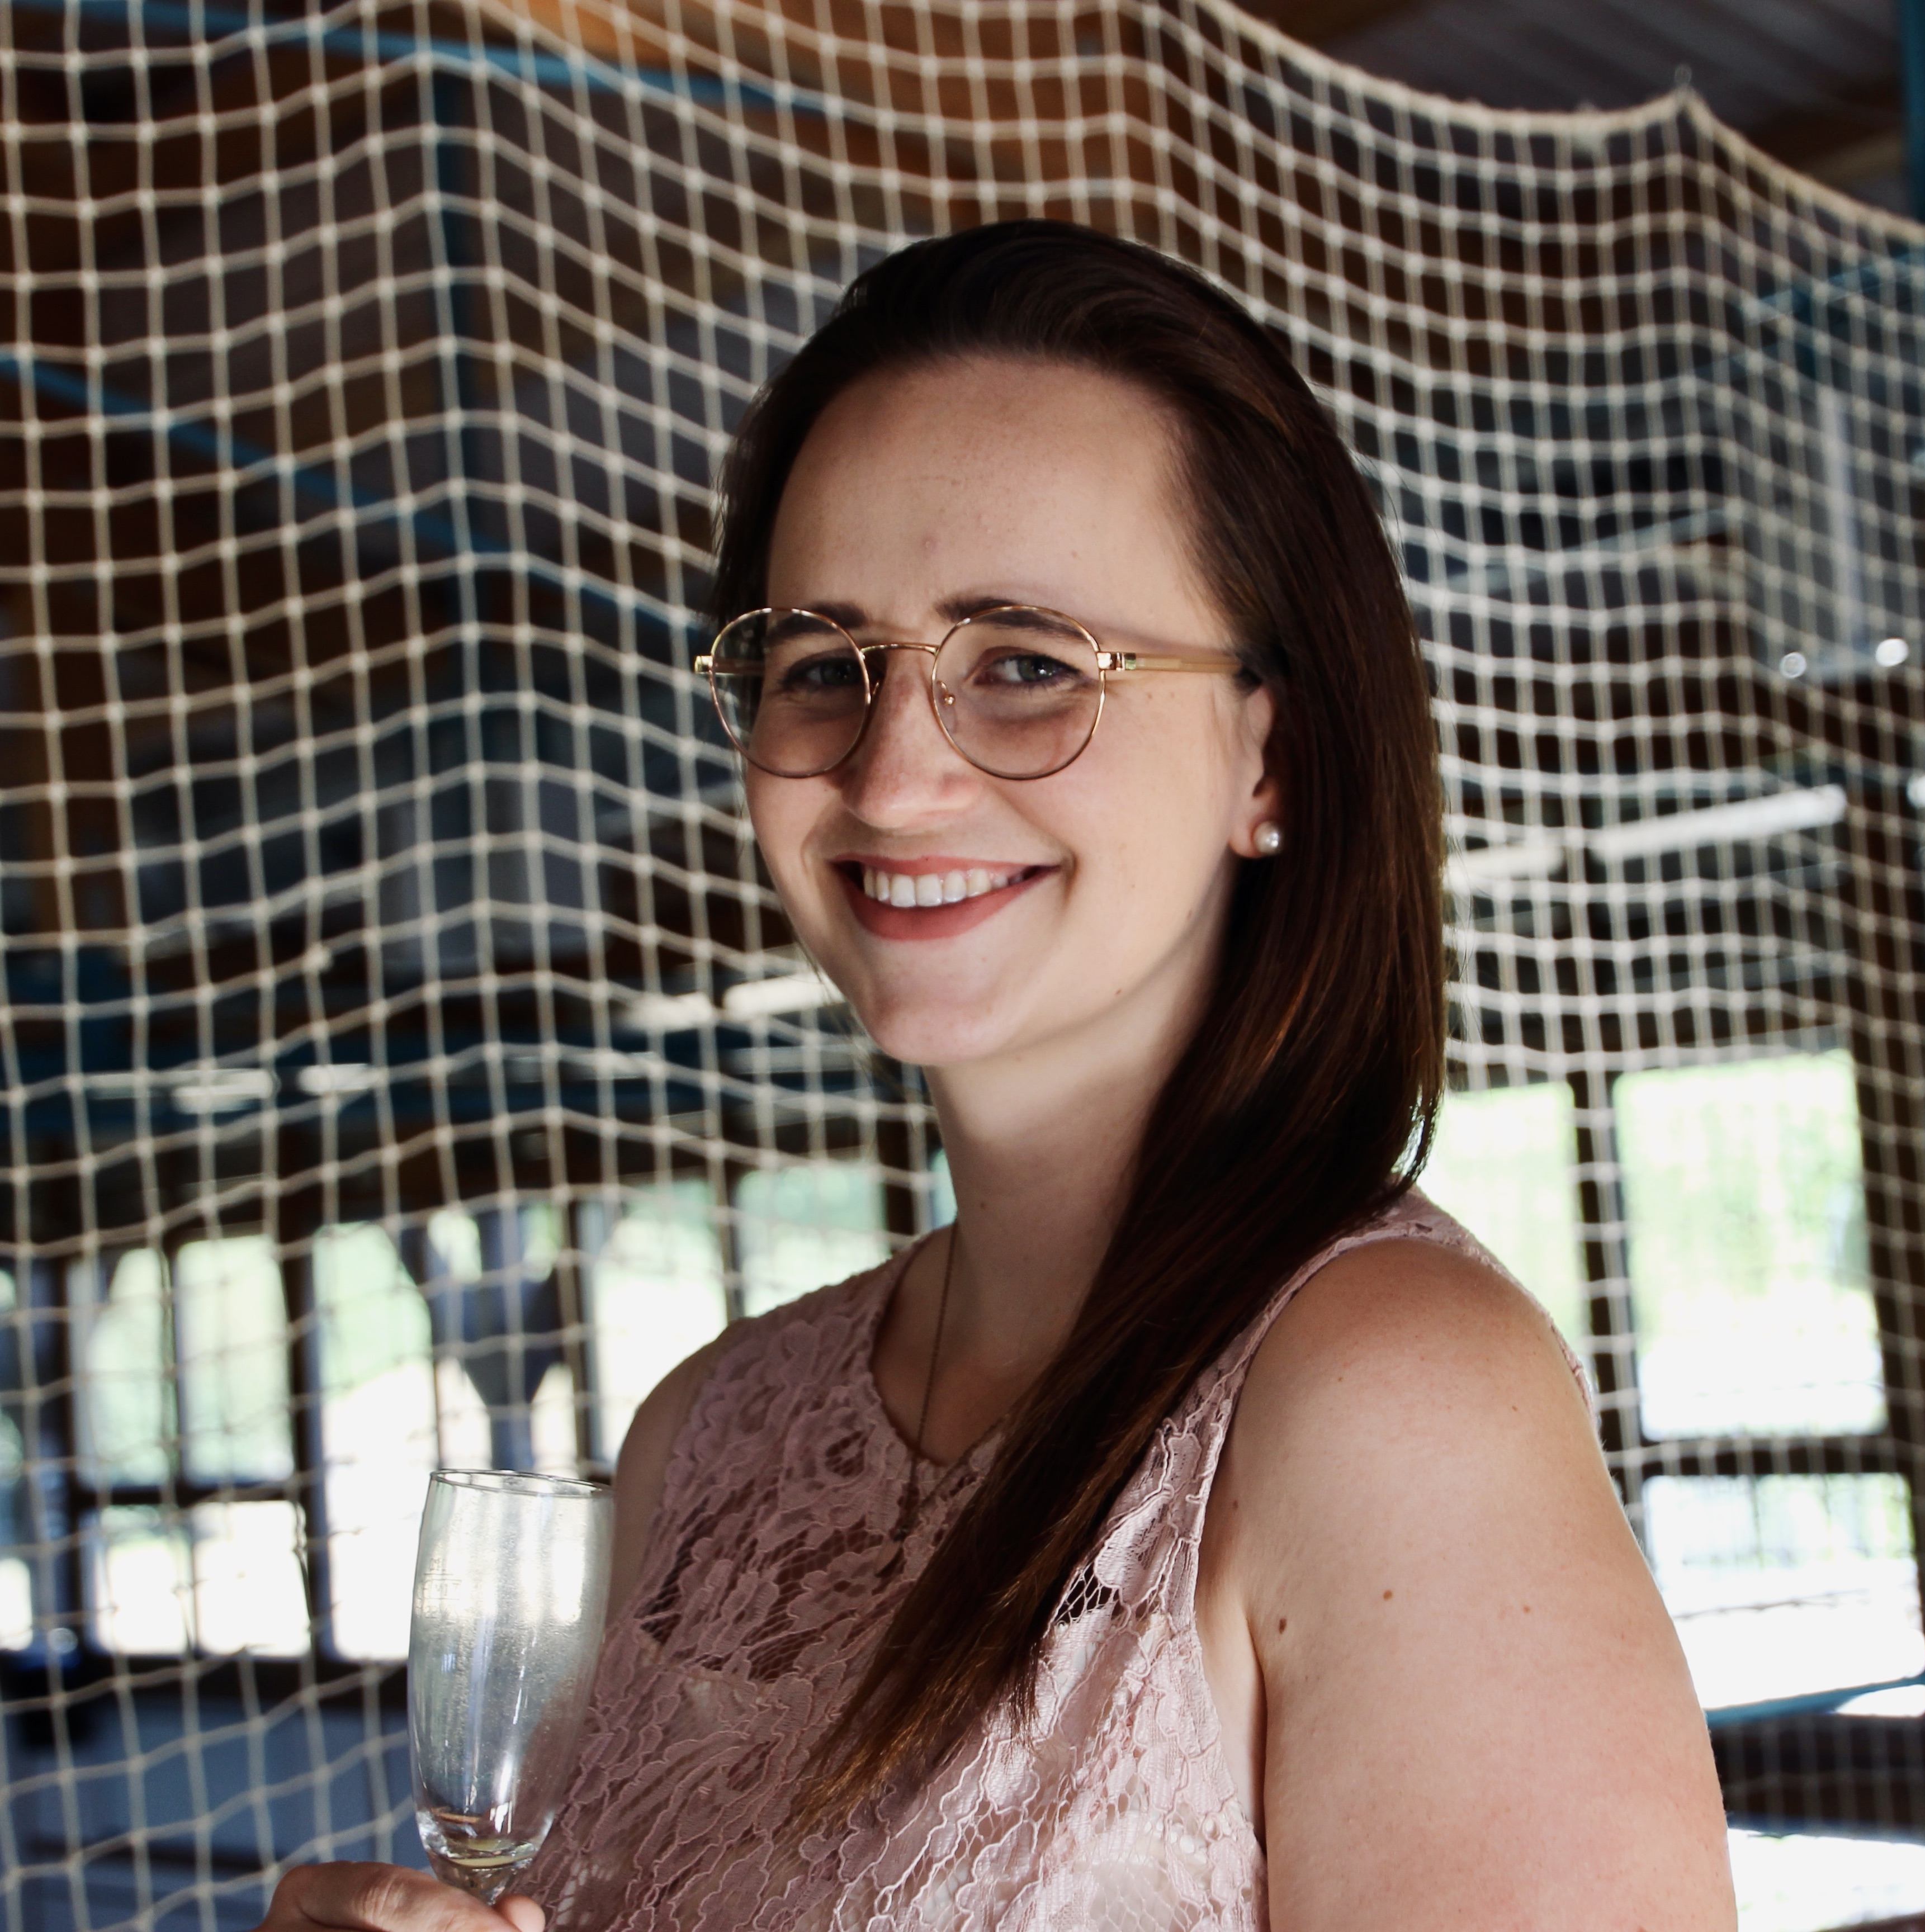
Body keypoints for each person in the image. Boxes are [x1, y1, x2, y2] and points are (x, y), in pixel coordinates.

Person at [259, 221, 1733, 1932]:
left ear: (1272, 758)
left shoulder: (1387, 1398)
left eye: (1027, 666)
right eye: (825, 666)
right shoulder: (702, 1435)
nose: (892, 777)